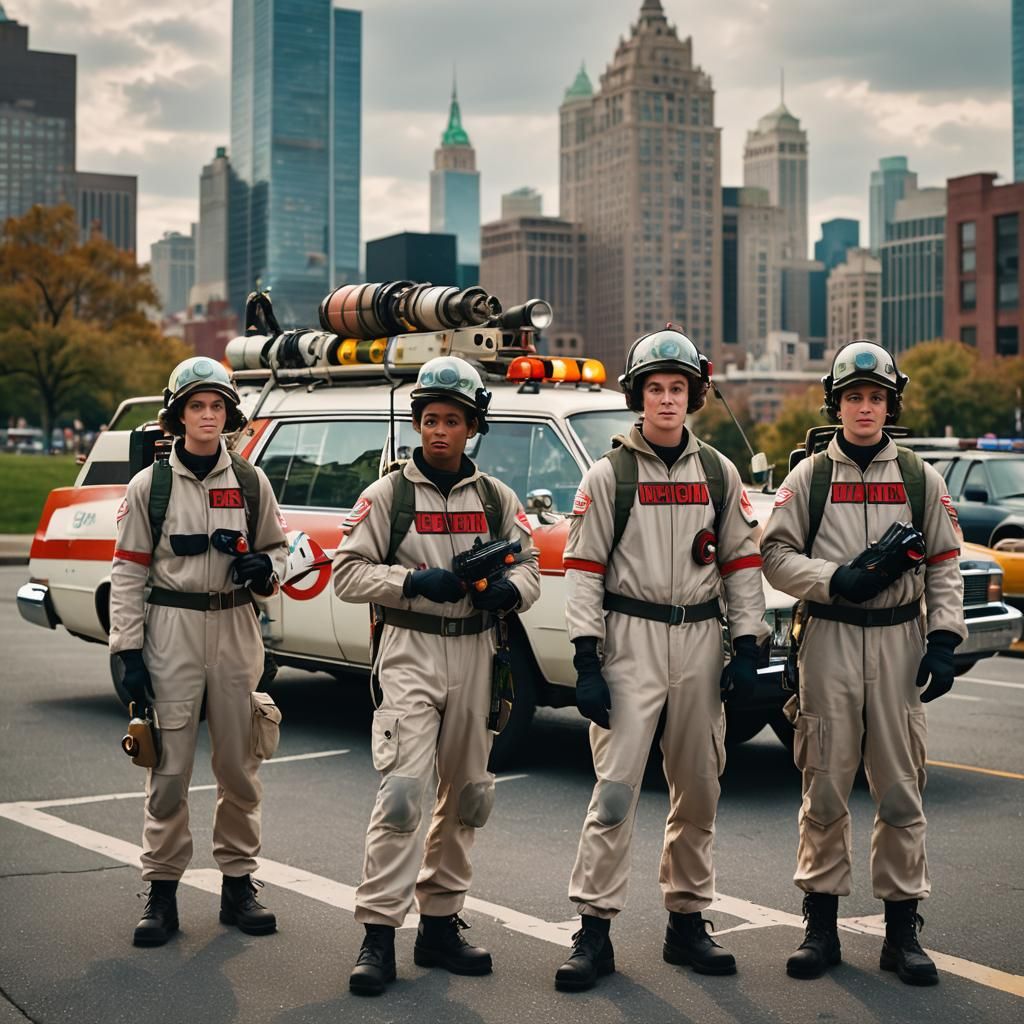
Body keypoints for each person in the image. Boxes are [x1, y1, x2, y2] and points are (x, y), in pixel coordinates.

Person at [554, 326, 768, 992]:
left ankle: (687, 920)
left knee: (699, 786)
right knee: (616, 791)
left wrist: (749, 642)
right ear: (637, 396)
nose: (667, 400)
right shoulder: (608, 474)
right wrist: (586, 659)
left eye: (678, 388)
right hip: (629, 640)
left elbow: (741, 561)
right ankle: (594, 930)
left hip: (701, 642)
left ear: (693, 395)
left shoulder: (717, 471)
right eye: (655, 388)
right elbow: (584, 569)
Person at [760, 340, 966, 986]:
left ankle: (901, 931)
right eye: (854, 398)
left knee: (902, 788)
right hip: (831, 638)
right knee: (823, 782)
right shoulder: (809, 478)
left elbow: (944, 560)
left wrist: (945, 638)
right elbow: (774, 554)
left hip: (901, 640)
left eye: (876, 398)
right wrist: (834, 579)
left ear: (890, 404)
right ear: (837, 404)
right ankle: (820, 924)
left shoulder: (917, 477)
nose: (865, 409)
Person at [334, 355, 540, 996]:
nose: (440, 431)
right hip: (411, 652)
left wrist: (506, 593)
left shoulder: (495, 498)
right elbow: (346, 573)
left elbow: (529, 565)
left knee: (469, 794)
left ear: (473, 425)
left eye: (452, 420)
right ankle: (377, 933)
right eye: (429, 419)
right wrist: (411, 582)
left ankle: (441, 924)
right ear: (417, 423)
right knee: (402, 794)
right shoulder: (387, 496)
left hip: (478, 656)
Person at [109, 356, 288, 947]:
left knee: (240, 766)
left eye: (217, 406)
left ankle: (238, 886)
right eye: (196, 406)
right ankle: (161, 895)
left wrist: (267, 568)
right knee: (169, 770)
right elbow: (129, 572)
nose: (207, 416)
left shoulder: (251, 481)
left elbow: (280, 554)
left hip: (236, 627)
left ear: (230, 415)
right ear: (178, 415)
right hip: (171, 630)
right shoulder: (149, 487)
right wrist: (127, 649)